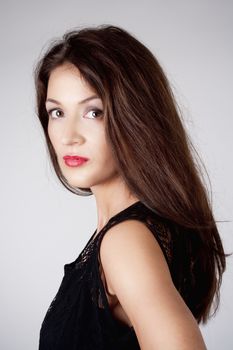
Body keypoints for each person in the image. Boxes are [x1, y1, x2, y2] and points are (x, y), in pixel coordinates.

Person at [34, 24, 227, 349]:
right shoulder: (136, 232)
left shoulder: (125, 242)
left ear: (135, 116)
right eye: (57, 112)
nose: (69, 136)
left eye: (93, 112)